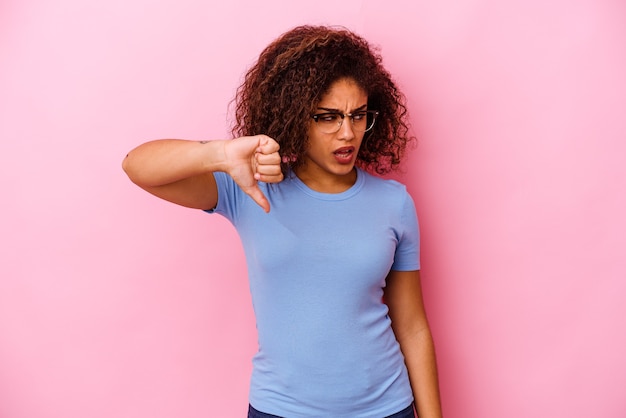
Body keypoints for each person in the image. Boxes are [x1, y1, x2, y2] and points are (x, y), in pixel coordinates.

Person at [123, 25, 442, 418]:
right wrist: (222, 154)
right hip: (281, 409)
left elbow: (412, 326)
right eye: (328, 117)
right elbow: (137, 166)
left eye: (358, 115)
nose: (348, 133)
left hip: (387, 408)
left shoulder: (394, 203)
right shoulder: (251, 189)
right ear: (293, 114)